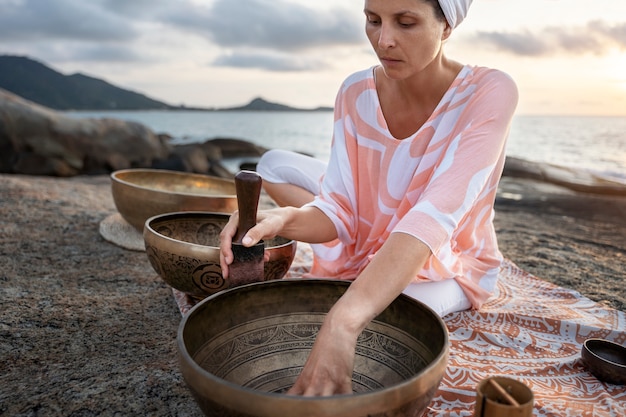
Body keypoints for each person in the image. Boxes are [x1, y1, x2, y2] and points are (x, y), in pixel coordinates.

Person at [220, 0, 518, 397]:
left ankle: (372, 279)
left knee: (368, 316)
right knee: (271, 165)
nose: (384, 40)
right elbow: (339, 209)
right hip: (371, 225)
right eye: (373, 20)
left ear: (446, 27)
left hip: (443, 258)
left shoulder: (489, 91)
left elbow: (435, 215)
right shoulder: (355, 90)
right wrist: (281, 220)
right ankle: (366, 270)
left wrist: (344, 319)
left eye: (406, 22)